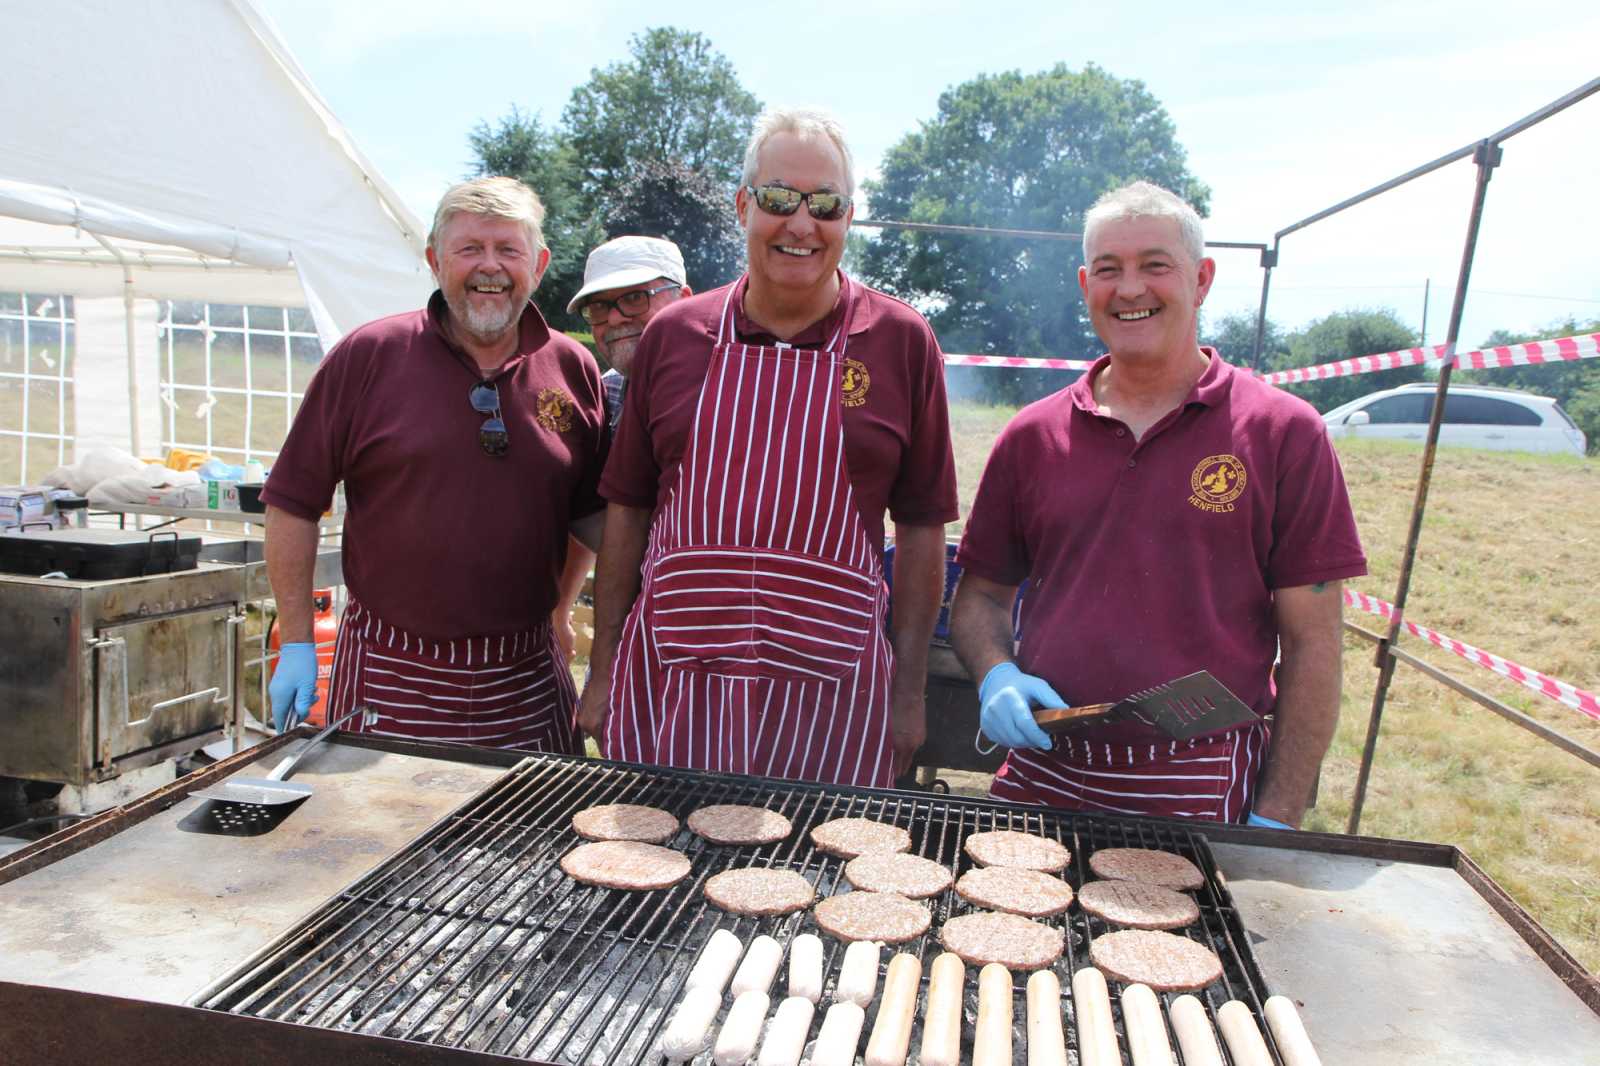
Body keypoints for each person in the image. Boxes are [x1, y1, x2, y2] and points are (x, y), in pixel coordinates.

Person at [949, 181, 1366, 827]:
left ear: (1201, 280)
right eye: (1108, 269)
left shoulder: (1283, 432)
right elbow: (979, 596)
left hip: (1198, 771)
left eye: (1155, 265)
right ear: (1085, 285)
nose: (1130, 288)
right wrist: (995, 672)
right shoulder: (1032, 436)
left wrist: (1279, 813)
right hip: (1045, 763)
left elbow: (1313, 641)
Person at [580, 107, 959, 787]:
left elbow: (923, 528)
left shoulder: (902, 341)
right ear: (743, 206)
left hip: (834, 699)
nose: (801, 224)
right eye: (780, 198)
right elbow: (628, 511)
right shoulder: (674, 336)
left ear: (849, 218)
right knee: (647, 851)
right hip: (676, 683)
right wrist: (604, 668)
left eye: (826, 204)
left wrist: (908, 693)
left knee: (828, 857)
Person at [261, 176, 607, 752]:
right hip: (390, 670)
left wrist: (598, 601)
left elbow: (591, 516)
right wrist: (296, 640)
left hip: (524, 676)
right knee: (377, 816)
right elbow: (292, 504)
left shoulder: (572, 367)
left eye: (508, 249)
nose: (490, 267)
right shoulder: (368, 356)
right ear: (434, 260)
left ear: (539, 264)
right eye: (470, 248)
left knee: (535, 815)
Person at [550, 236, 692, 662]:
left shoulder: (734, 386)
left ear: (684, 299)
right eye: (599, 307)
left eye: (634, 298)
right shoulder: (606, 394)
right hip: (633, 628)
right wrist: (560, 608)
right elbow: (589, 506)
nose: (614, 318)